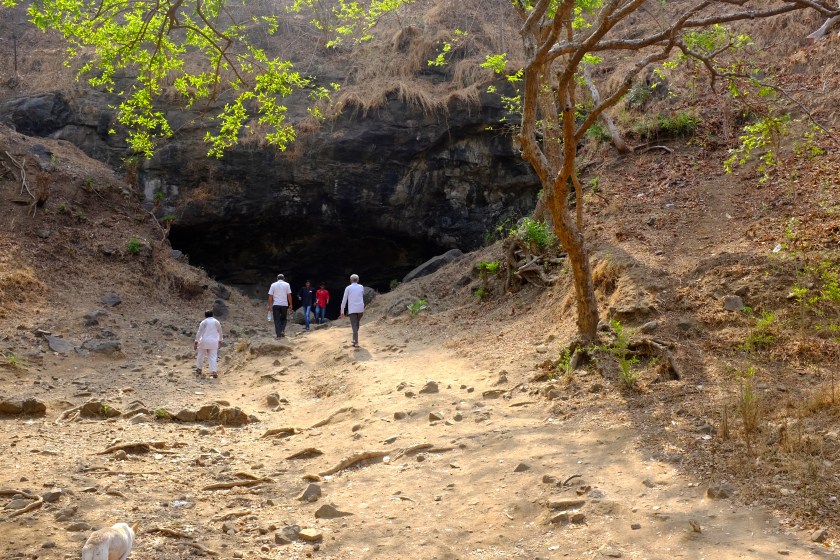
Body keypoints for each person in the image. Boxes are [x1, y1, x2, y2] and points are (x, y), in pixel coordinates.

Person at [194, 310, 223, 379]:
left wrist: (196, 342)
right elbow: (220, 332)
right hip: (214, 342)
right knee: (213, 357)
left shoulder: (204, 322)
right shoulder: (216, 322)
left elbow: (199, 332)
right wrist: (220, 340)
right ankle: (214, 372)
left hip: (204, 341)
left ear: (205, 315)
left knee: (201, 355)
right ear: (212, 315)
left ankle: (199, 369)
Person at [339, 273, 365, 347]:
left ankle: (356, 342)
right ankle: (354, 339)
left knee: (354, 325)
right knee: (356, 324)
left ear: (350, 280)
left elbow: (344, 300)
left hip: (352, 309)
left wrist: (342, 311)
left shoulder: (348, 288)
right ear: (358, 280)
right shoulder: (361, 287)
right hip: (360, 309)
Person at [268, 273, 293, 338]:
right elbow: (289, 295)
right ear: (283, 278)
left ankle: (278, 335)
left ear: (277, 279)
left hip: (276, 304)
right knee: (284, 319)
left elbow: (270, 296)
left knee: (277, 320)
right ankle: (282, 330)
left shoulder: (273, 285)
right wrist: (291, 304)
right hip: (284, 305)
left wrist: (269, 305)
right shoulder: (287, 284)